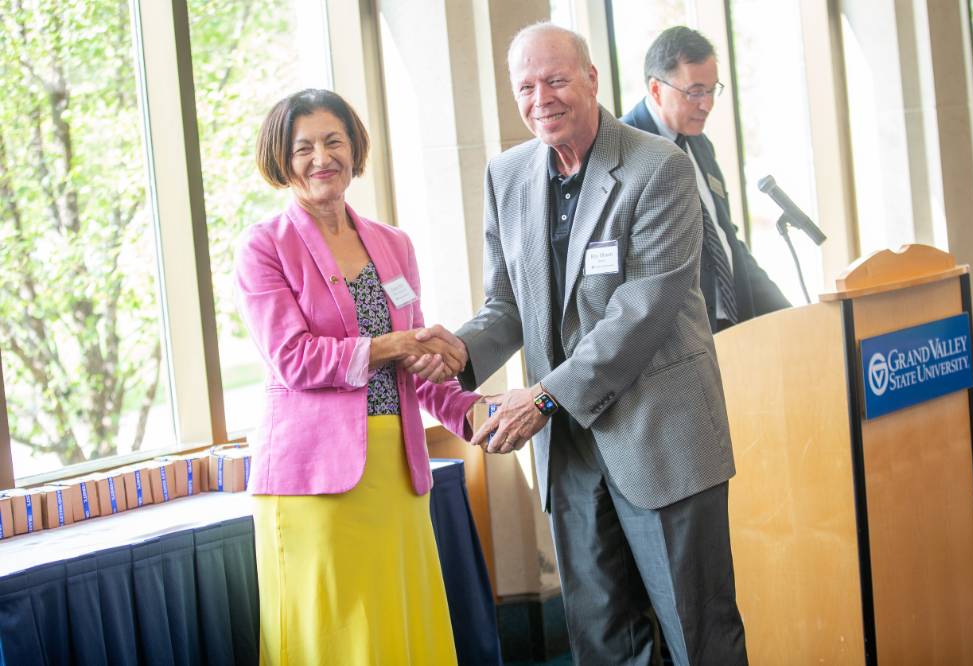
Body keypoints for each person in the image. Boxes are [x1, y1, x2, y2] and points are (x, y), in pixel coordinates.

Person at [409, 22, 747, 665]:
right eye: (526, 87)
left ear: (592, 79)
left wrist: (541, 397)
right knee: (603, 639)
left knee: (698, 633)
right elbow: (508, 303)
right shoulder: (506, 176)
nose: (542, 99)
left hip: (660, 435)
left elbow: (641, 314)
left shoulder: (659, 167)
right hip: (570, 448)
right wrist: (458, 351)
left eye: (557, 80)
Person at [235, 88, 479, 665]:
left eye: (333, 141)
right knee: (337, 638)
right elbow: (294, 359)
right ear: (281, 159)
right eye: (304, 148)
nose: (321, 158)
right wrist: (391, 345)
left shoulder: (393, 245)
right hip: (313, 481)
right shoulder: (263, 247)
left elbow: (417, 367)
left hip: (396, 472)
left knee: (400, 628)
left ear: (354, 148)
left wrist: (474, 413)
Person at [621, 26, 789, 333]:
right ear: (656, 89)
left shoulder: (698, 141)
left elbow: (724, 238)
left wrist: (785, 315)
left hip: (733, 326)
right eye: (695, 92)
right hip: (681, 338)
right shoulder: (624, 151)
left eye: (712, 90)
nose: (707, 104)